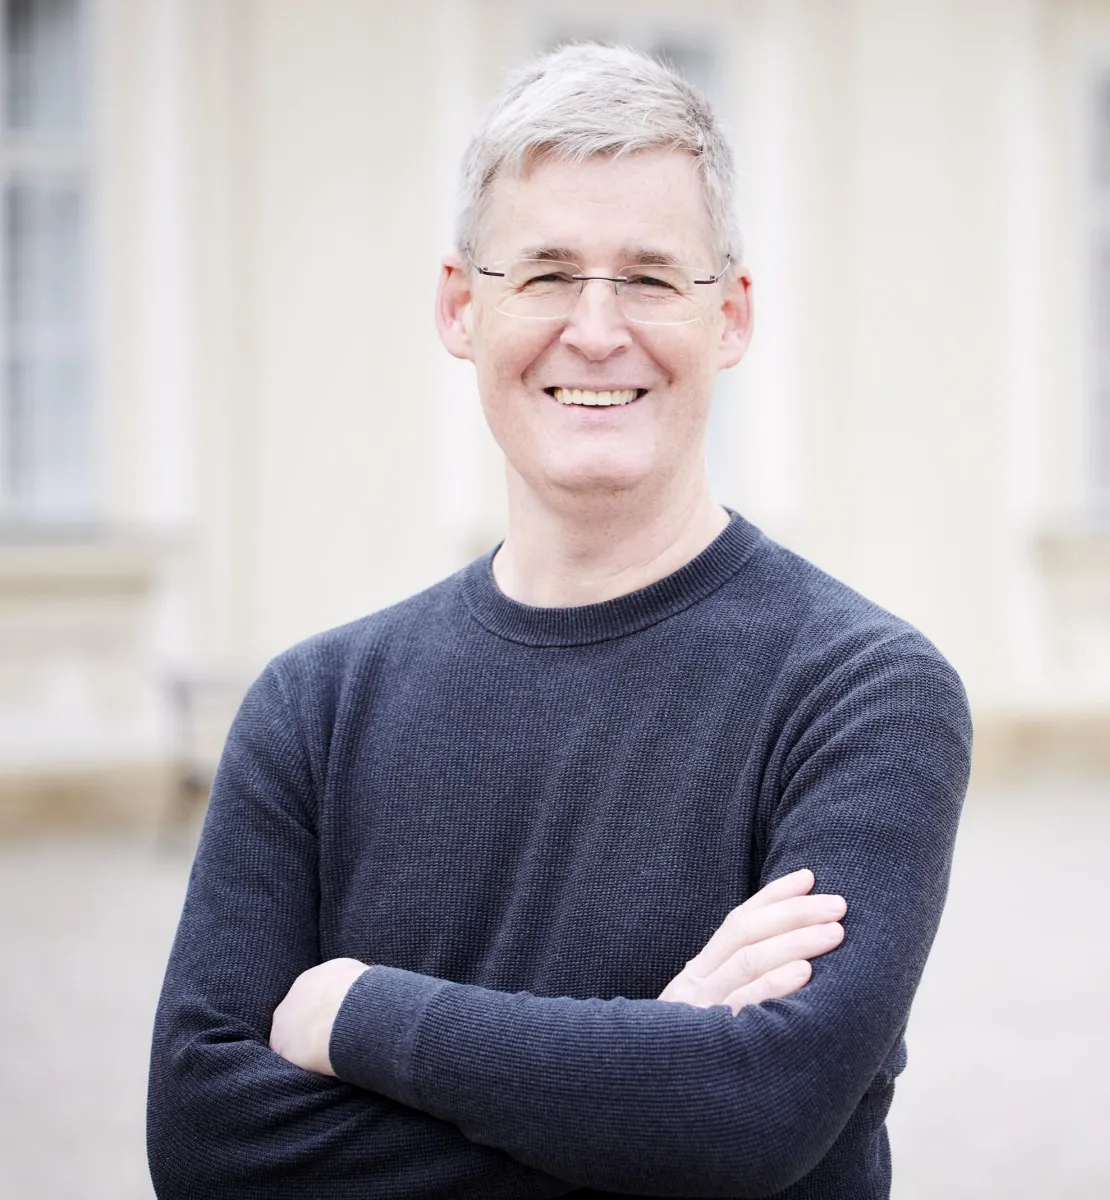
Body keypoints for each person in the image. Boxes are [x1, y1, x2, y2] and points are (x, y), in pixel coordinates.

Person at [147, 42, 971, 1199]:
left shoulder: (862, 691)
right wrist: (646, 1087)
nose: (595, 329)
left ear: (730, 315)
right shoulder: (315, 709)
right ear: (461, 306)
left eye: (649, 277)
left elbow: (755, 1110)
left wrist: (359, 1013)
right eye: (544, 274)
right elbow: (206, 1147)